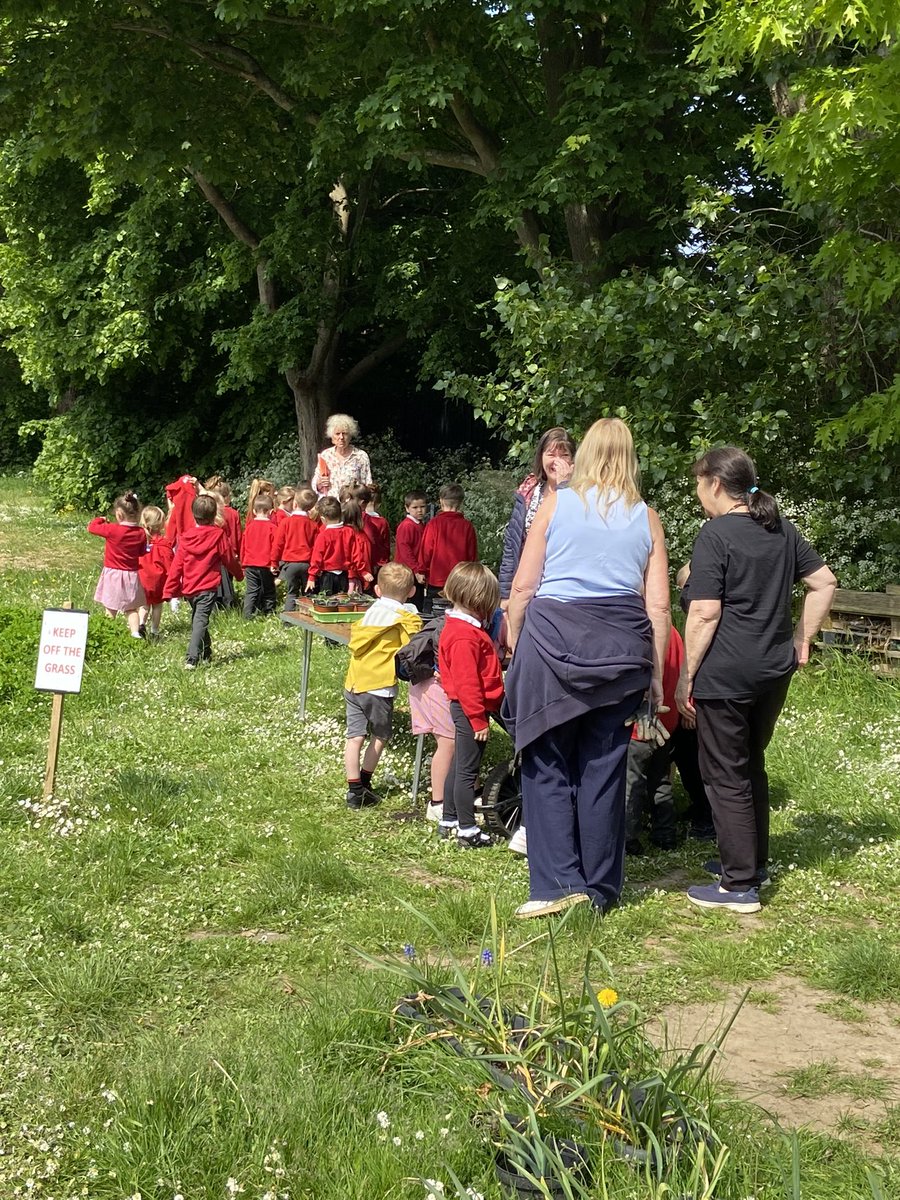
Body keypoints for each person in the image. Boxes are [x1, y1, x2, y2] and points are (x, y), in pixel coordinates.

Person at [504, 417, 671, 919]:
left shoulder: (556, 502)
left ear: (587, 454)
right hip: (622, 653)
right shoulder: (648, 518)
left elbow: (522, 586)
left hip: (552, 642)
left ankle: (557, 886)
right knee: (604, 766)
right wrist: (659, 676)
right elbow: (658, 609)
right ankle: (600, 891)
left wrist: (514, 634)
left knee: (546, 758)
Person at [675, 447, 836, 914]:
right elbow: (825, 582)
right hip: (773, 669)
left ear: (714, 484)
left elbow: (705, 611)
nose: (697, 492)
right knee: (749, 764)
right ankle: (751, 862)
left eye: (697, 484)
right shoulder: (782, 529)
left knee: (724, 774)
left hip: (726, 674)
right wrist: (802, 640)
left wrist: (686, 676)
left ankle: (738, 885)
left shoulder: (715, 535)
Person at [497, 426, 575, 856]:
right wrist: (507, 598)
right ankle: (530, 794)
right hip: (528, 596)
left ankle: (547, 809)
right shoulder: (527, 493)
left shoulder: (583, 494)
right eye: (549, 451)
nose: (554, 458)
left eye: (563, 451)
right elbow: (512, 550)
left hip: (565, 601)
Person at [437, 562, 505, 849]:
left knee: (459, 765)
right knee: (468, 771)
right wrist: (478, 719)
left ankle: (449, 818)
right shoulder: (466, 636)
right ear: (479, 601)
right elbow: (467, 683)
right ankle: (467, 828)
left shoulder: (458, 628)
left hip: (464, 708)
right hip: (469, 710)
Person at [343, 562, 422, 808]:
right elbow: (416, 643)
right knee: (380, 735)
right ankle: (365, 783)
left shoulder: (370, 612)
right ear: (411, 592)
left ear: (377, 590)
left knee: (354, 737)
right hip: (379, 687)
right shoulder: (405, 618)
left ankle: (353, 788)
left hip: (354, 682)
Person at [163, 494, 242, 668]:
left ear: (193, 515)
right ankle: (192, 658)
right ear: (215, 515)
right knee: (200, 620)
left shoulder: (186, 537)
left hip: (190, 587)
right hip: (207, 586)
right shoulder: (218, 535)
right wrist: (238, 574)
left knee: (199, 619)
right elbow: (229, 558)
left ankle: (206, 652)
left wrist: (169, 589)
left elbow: (177, 565)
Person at [499, 427, 575, 605]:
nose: (557, 461)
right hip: (525, 587)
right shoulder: (528, 492)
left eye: (564, 455)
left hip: (562, 591)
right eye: (551, 454)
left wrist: (564, 486)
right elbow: (512, 545)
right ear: (541, 457)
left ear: (573, 461)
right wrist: (505, 594)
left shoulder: (582, 494)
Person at [624, 627, 684, 854]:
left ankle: (629, 839)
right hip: (667, 720)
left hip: (640, 725)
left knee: (632, 782)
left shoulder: (640, 632)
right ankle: (665, 833)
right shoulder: (673, 633)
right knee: (660, 779)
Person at [396, 608, 455, 824]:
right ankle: (437, 803)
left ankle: (468, 791)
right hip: (434, 688)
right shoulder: (451, 627)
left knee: (457, 742)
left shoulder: (443, 620)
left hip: (426, 685)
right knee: (449, 743)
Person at [88, 493, 148, 638]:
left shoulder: (112, 529)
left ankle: (107, 634)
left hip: (113, 574)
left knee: (111, 607)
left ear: (119, 514)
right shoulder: (141, 533)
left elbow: (92, 527)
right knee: (131, 608)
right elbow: (141, 552)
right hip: (131, 575)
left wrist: (100, 519)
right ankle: (135, 633)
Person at [419, 483, 478, 606]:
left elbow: (426, 550)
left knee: (433, 613)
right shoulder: (467, 526)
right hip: (460, 580)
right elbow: (472, 556)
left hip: (436, 579)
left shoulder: (434, 524)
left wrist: (422, 570)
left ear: (441, 501)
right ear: (461, 502)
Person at [272, 487, 319, 611]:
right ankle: (308, 621)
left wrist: (274, 562)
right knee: (308, 593)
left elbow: (278, 544)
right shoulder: (313, 525)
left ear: (295, 503)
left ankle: (288, 621)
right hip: (307, 564)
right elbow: (316, 548)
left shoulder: (286, 522)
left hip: (290, 564)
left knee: (291, 593)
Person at [305, 496, 365, 595]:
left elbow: (316, 557)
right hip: (344, 575)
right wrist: (363, 571)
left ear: (323, 519)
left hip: (327, 576)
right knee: (343, 603)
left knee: (327, 603)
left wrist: (312, 576)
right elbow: (357, 554)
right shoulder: (349, 532)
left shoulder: (323, 535)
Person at [312, 414, 373, 497]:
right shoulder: (325, 455)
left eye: (344, 433)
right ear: (332, 437)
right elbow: (315, 483)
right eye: (337, 434)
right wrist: (319, 484)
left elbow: (367, 484)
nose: (341, 437)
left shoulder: (361, 456)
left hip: (352, 506)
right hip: (331, 506)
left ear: (350, 436)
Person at [136, 505, 174, 639]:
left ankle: (141, 625)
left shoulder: (140, 541)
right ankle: (154, 631)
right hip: (158, 581)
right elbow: (170, 563)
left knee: (144, 605)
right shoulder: (164, 543)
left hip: (143, 578)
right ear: (162, 524)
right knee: (157, 606)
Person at [241, 494, 278, 617]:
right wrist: (275, 563)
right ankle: (268, 612)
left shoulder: (249, 527)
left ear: (253, 511)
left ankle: (247, 614)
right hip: (266, 564)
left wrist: (242, 564)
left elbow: (243, 546)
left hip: (250, 564)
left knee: (251, 590)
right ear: (271, 511)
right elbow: (275, 548)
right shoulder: (273, 528)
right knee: (269, 590)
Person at [395, 490, 428, 608]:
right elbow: (405, 551)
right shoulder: (407, 526)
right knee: (410, 604)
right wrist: (416, 570)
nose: (419, 510)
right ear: (407, 508)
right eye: (415, 507)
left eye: (422, 507)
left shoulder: (420, 524)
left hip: (416, 570)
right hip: (407, 572)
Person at [358, 484, 391, 582]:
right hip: (378, 563)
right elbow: (386, 546)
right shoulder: (382, 522)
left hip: (362, 563)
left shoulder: (359, 519)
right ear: (379, 504)